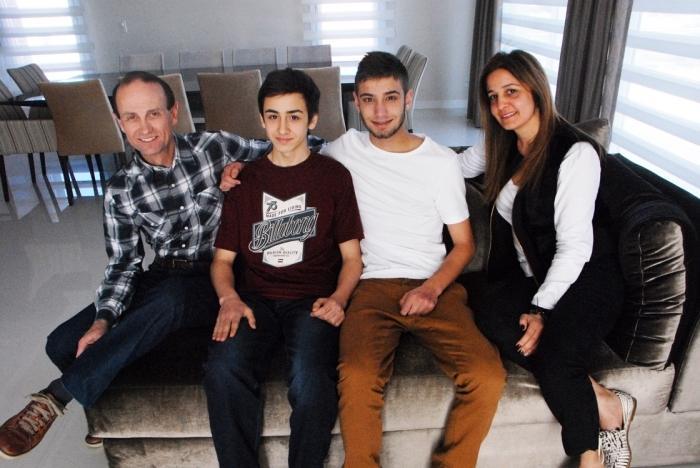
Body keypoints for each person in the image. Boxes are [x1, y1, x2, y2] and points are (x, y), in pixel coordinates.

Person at [0, 71, 272, 460]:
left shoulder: (214, 147)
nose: (144, 128)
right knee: (62, 341)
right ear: (119, 122)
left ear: (173, 113)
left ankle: (55, 397)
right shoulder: (121, 189)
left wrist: (248, 167)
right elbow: (124, 263)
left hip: (219, 274)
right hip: (164, 274)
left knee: (173, 299)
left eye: (153, 114)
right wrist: (103, 319)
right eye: (131, 117)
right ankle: (104, 409)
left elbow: (289, 146)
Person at [324, 51, 506, 467]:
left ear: (408, 99)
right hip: (370, 285)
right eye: (369, 99)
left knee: (487, 375)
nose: (380, 111)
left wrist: (431, 289)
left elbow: (464, 244)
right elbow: (289, 151)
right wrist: (239, 168)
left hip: (432, 284)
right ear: (355, 103)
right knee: (357, 375)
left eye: (391, 98)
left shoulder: (440, 162)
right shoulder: (343, 150)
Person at [458, 49, 636, 468]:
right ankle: (603, 398)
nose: (501, 105)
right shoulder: (501, 141)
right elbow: (453, 167)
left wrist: (541, 309)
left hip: (586, 278)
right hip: (535, 276)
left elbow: (576, 246)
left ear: (536, 91)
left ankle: (591, 454)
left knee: (556, 358)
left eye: (511, 92)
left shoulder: (575, 153)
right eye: (493, 96)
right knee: (480, 301)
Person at [204, 68, 363, 468]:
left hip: (312, 301)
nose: (283, 128)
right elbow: (222, 261)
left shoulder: (334, 177)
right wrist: (228, 298)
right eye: (273, 116)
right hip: (254, 299)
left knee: (312, 379)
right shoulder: (243, 181)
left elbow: (352, 258)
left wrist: (340, 298)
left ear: (312, 120)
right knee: (222, 368)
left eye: (294, 116)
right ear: (262, 120)